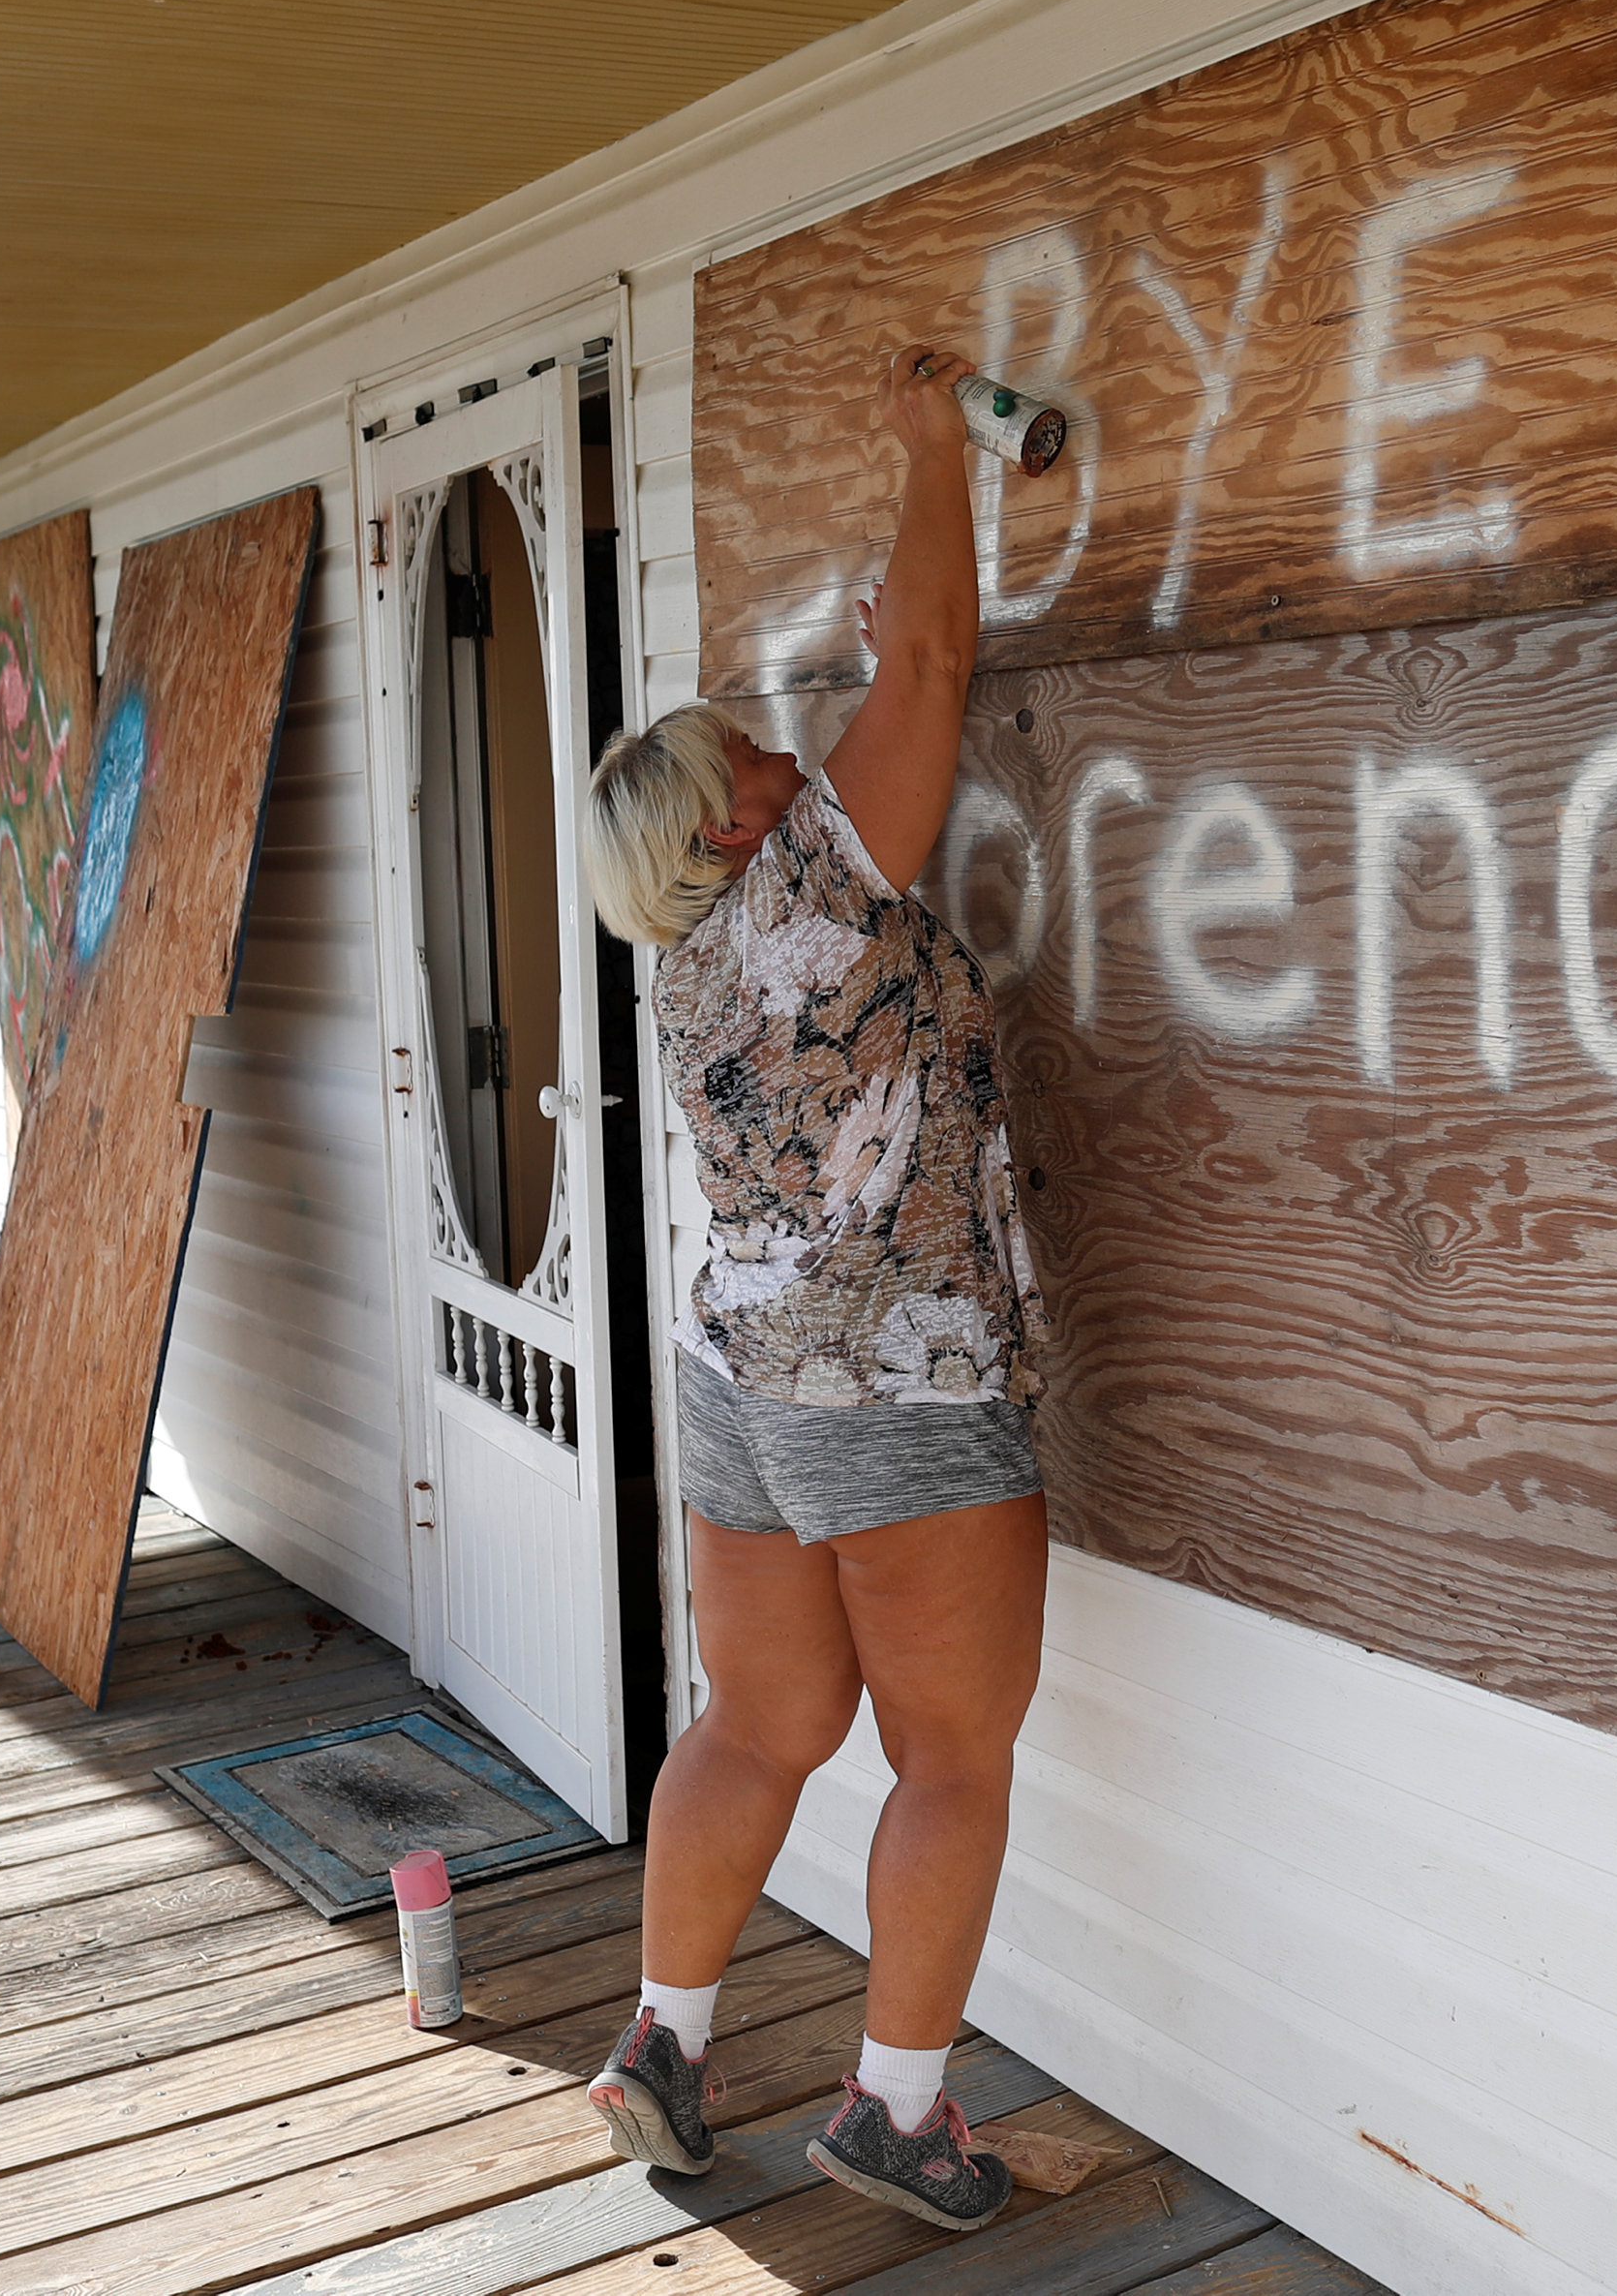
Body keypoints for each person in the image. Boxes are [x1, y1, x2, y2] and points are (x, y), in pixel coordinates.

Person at [572, 344, 1048, 2235]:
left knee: (756, 1726)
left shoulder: (685, 962)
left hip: (739, 1386)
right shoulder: (823, 880)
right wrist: (932, 446)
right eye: (754, 747)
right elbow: (930, 669)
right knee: (950, 1755)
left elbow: (889, 692)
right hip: (908, 1390)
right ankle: (897, 2113)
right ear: (728, 820)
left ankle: (663, 2046)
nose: (785, 739)